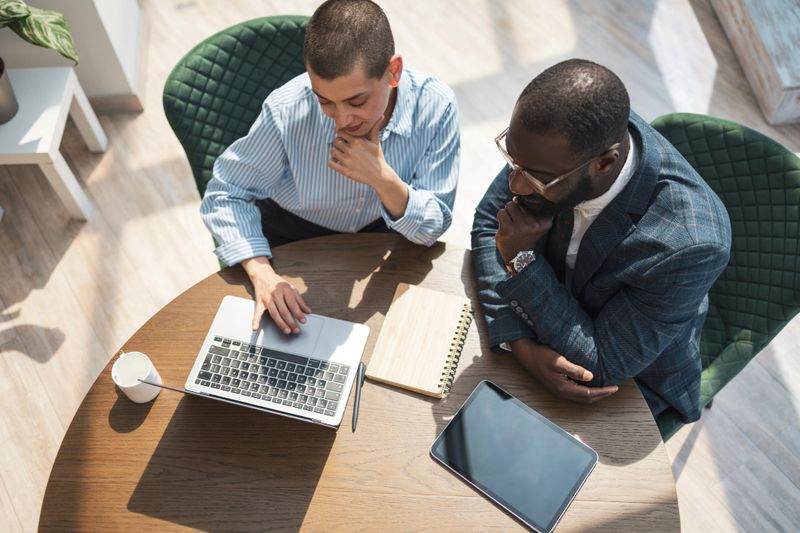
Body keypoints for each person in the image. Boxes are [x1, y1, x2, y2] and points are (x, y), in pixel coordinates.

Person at [471, 59, 731, 423]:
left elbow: (602, 363)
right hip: (536, 329)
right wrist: (520, 344)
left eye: (534, 178)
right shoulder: (554, 143)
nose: (514, 185)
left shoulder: (690, 246)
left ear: (605, 164)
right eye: (512, 162)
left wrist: (522, 260)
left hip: (627, 386)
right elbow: (488, 222)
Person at [201, 0, 460, 335]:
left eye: (356, 101)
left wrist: (382, 179)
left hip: (384, 235)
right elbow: (225, 194)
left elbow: (432, 228)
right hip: (290, 233)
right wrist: (261, 271)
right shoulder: (286, 110)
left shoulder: (436, 107)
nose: (341, 121)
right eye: (324, 101)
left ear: (393, 72)